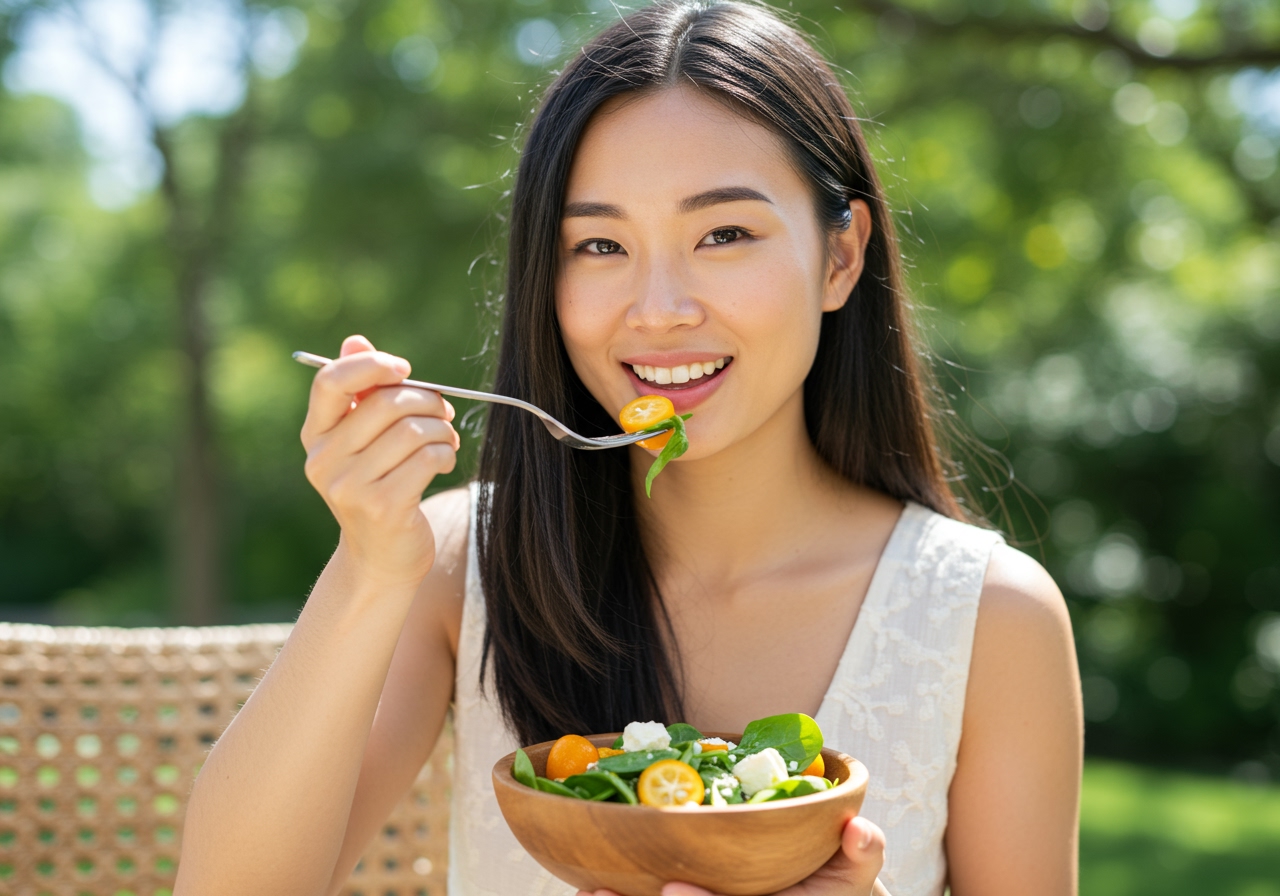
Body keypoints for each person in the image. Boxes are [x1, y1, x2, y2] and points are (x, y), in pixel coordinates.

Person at [176, 2, 1082, 895]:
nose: (658, 310)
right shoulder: (459, 566)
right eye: (601, 244)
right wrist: (371, 565)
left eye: (724, 234)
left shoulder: (988, 618)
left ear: (840, 258)